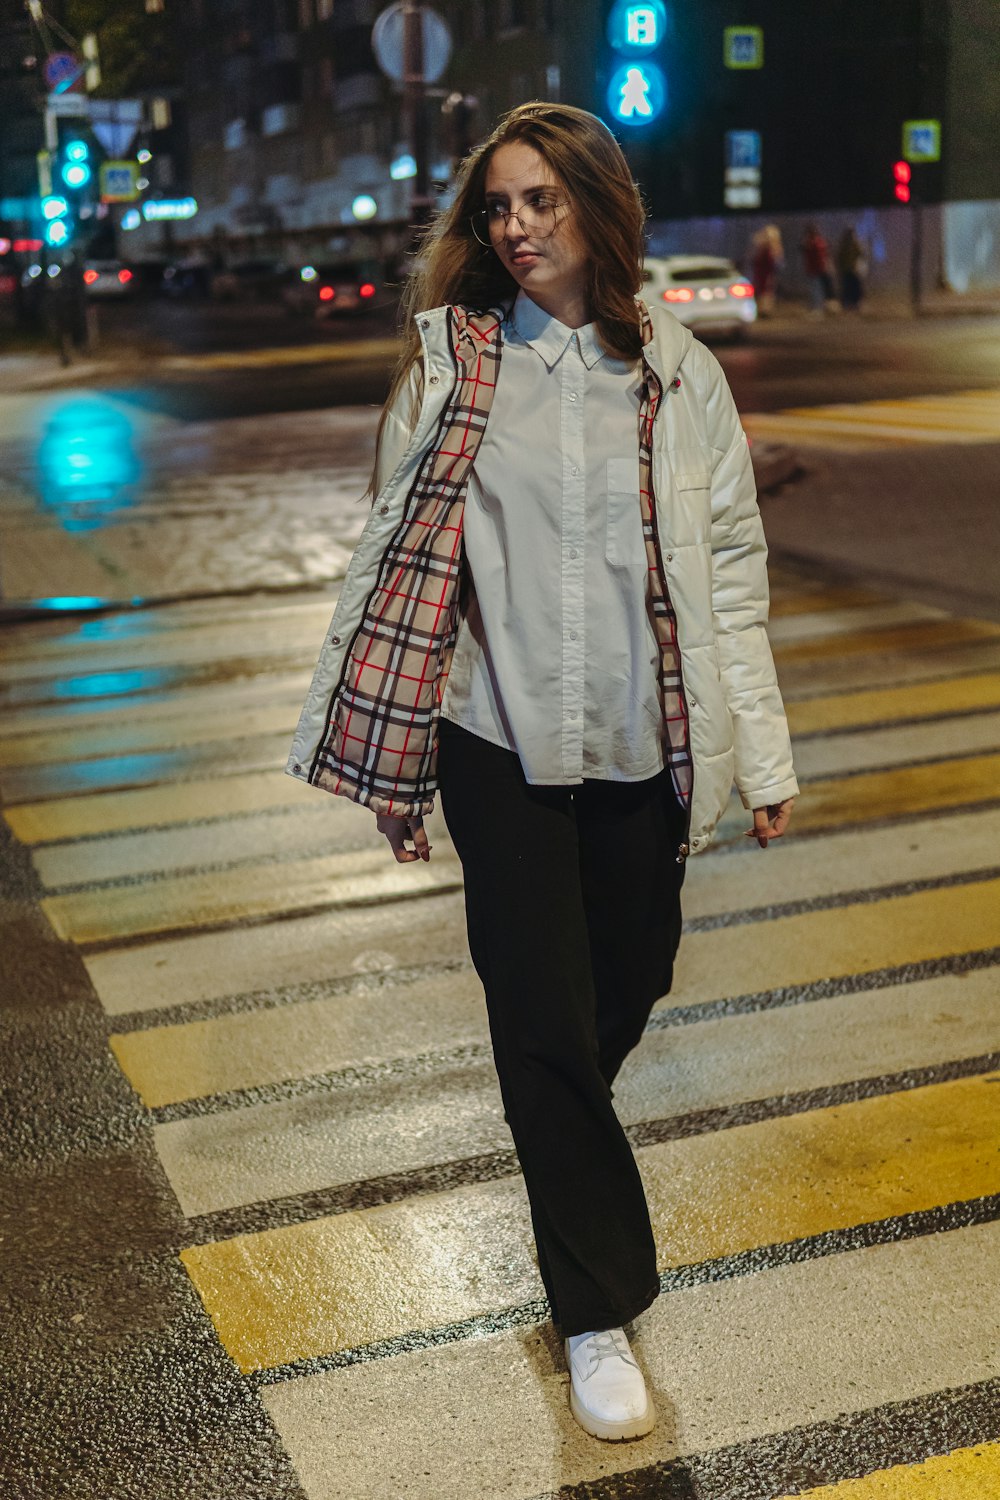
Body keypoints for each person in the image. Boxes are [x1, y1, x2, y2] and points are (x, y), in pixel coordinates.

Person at [287, 102, 798, 1443]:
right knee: (540, 1023)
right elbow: (391, 570)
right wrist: (398, 771)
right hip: (496, 747)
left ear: (597, 210)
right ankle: (596, 1311)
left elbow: (732, 571)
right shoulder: (452, 370)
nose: (515, 229)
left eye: (539, 203)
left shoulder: (681, 375)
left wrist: (764, 750)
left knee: (616, 996)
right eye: (497, 208)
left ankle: (565, 1158)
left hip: (643, 746)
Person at [799, 221, 836, 315]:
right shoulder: (820, 242)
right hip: (818, 269)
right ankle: (818, 308)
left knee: (816, 290)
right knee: (818, 289)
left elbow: (806, 249)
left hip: (816, 270)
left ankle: (817, 309)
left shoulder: (814, 243)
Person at [750, 223, 784, 315]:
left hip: (766, 273)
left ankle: (765, 309)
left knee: (766, 291)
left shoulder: (769, 250)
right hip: (762, 273)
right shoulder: (764, 250)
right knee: (763, 291)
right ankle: (763, 309)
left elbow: (774, 263)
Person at [836, 225, 867, 312]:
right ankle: (846, 304)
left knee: (856, 287)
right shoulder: (844, 245)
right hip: (846, 270)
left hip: (853, 270)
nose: (851, 236)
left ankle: (855, 304)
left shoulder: (855, 244)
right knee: (846, 288)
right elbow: (840, 257)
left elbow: (861, 254)